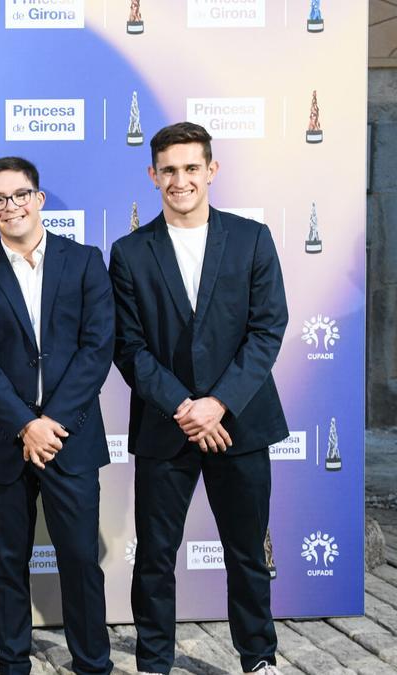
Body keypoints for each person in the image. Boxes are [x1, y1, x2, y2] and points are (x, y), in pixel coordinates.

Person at [109, 122, 288, 675]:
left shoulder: (251, 238)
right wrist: (186, 406)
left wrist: (218, 404)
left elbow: (268, 328)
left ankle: (258, 658)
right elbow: (128, 345)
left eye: (191, 168)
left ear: (212, 170)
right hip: (168, 426)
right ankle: (155, 661)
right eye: (168, 169)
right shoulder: (130, 252)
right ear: (152, 175)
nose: (179, 180)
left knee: (246, 553)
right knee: (156, 557)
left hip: (241, 422)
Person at [0, 157, 114, 675]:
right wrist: (27, 424)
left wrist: (52, 423)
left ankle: (92, 663)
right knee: (6, 562)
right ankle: (13, 662)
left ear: (38, 199)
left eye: (20, 195)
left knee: (81, 562)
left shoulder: (86, 261)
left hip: (72, 437)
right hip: (7, 440)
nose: (10, 206)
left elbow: (98, 348)